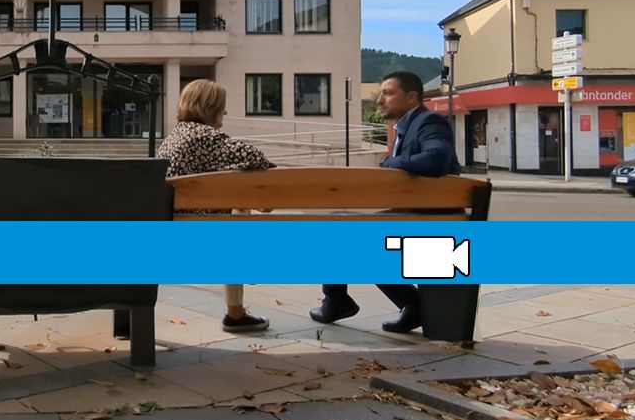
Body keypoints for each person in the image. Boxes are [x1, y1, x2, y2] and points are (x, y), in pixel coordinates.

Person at [309, 71, 460, 334]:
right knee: (344, 224)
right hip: (419, 215)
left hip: (430, 221)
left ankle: (339, 300)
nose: (380, 100)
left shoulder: (429, 122)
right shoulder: (408, 126)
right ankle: (402, 304)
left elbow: (437, 158)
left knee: (342, 226)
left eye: (388, 93)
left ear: (411, 97)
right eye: (381, 93)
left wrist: (390, 163)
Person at [157, 79, 275, 333]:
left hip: (169, 233)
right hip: (198, 239)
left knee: (238, 206)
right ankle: (236, 310)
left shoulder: (173, 137)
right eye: (222, 107)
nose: (225, 112)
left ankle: (236, 311)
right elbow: (255, 158)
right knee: (238, 218)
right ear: (210, 108)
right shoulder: (208, 139)